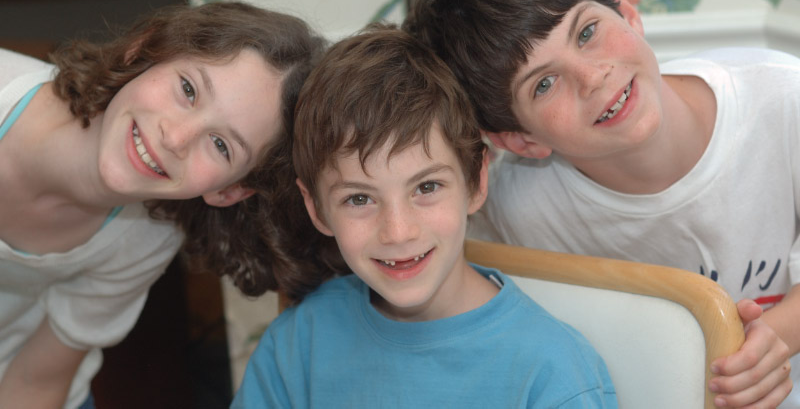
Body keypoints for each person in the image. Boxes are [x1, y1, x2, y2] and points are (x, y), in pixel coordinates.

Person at [404, 0, 799, 408]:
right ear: (520, 140)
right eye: (544, 84)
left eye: (587, 32)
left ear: (627, 12)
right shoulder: (512, 206)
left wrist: (769, 340)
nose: (593, 78)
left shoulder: (784, 100)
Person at [231, 25, 618, 408]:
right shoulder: (297, 345)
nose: (398, 232)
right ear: (316, 207)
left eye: (427, 187)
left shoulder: (552, 373)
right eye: (359, 199)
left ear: (475, 181)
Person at [0, 0, 344, 409]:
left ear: (230, 190)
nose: (175, 138)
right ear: (143, 51)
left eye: (221, 145)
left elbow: (35, 381)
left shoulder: (146, 236)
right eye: (188, 90)